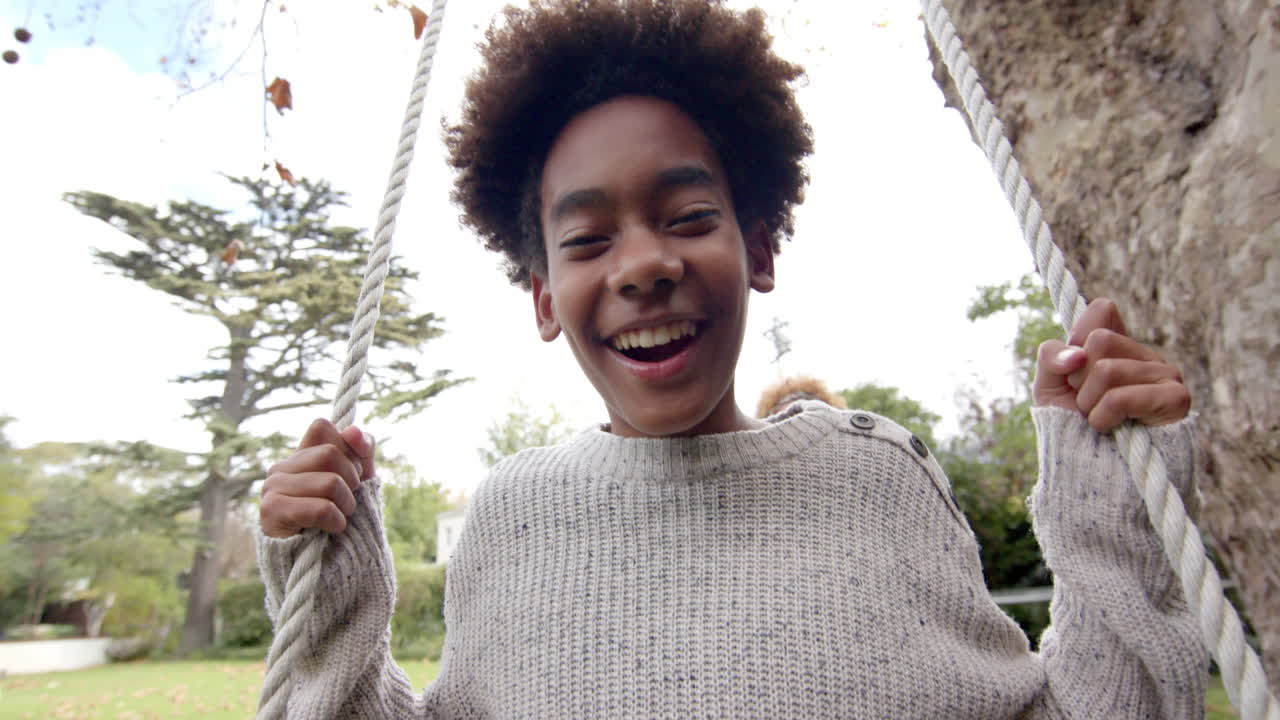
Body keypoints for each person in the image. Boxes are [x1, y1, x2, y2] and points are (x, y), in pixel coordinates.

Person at [256, 1, 1206, 717]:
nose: (644, 265)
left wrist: (1113, 492)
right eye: (587, 241)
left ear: (759, 248)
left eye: (688, 219)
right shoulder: (512, 520)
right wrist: (328, 596)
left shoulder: (875, 477)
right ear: (544, 297)